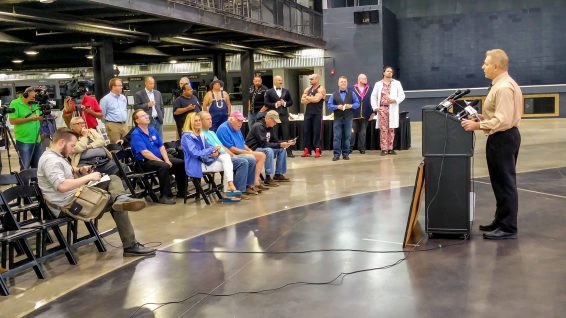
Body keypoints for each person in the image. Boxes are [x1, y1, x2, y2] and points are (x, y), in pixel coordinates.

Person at [37, 127, 155, 257]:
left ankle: (121, 199)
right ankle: (130, 245)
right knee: (115, 202)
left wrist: (78, 170)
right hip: (69, 205)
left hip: (77, 196)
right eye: (72, 146)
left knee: (113, 179)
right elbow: (61, 186)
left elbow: (65, 170)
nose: (73, 149)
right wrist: (87, 177)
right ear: (61, 143)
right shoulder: (51, 160)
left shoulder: (56, 156)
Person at [462, 49, 523, 240]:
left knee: (505, 183)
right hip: (502, 136)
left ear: (496, 66)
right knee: (499, 182)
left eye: (486, 63)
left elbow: (503, 120)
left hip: (503, 137)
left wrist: (478, 125)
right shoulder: (502, 84)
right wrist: (482, 117)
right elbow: (498, 115)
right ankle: (500, 220)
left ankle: (508, 227)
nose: (483, 66)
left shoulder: (504, 87)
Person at [181, 112, 241, 202]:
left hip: (205, 161)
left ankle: (229, 186)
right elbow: (195, 153)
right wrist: (210, 150)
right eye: (195, 121)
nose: (198, 122)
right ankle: (228, 190)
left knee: (226, 159)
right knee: (227, 164)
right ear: (190, 123)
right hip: (196, 165)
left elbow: (209, 147)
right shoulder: (186, 137)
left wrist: (214, 152)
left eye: (199, 120)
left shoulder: (200, 134)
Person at [130, 109, 186, 204]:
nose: (147, 116)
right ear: (137, 120)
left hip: (159, 159)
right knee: (163, 166)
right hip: (145, 162)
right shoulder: (136, 134)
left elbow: (161, 146)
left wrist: (167, 159)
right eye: (143, 116)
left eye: (146, 115)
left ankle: (182, 191)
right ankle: (165, 196)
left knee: (180, 162)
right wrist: (162, 162)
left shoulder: (152, 130)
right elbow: (145, 153)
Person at [200, 111, 257, 199]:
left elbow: (222, 147)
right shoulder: (201, 135)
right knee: (243, 162)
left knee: (251, 159)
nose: (210, 121)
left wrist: (233, 155)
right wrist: (232, 156)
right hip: (216, 159)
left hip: (225, 156)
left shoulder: (211, 133)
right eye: (208, 119)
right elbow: (210, 152)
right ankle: (238, 191)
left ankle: (248, 186)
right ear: (201, 121)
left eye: (211, 119)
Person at [216, 112, 269, 193]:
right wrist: (246, 153)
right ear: (231, 120)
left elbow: (243, 143)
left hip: (240, 152)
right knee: (251, 158)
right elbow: (230, 148)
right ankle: (245, 186)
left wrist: (249, 150)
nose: (240, 123)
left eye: (241, 121)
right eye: (238, 121)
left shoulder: (237, 128)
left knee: (261, 155)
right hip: (232, 154)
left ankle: (254, 182)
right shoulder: (223, 129)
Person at [246, 110, 293, 183]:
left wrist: (285, 142)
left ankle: (278, 174)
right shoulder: (258, 126)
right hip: (253, 149)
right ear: (269, 119)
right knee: (269, 150)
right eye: (274, 121)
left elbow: (275, 141)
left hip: (263, 147)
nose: (275, 124)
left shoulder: (270, 127)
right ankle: (268, 176)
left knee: (282, 149)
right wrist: (279, 144)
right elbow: (264, 144)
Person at [370, 66, 405, 156]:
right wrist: (375, 107)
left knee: (391, 129)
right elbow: (373, 96)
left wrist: (395, 100)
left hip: (392, 107)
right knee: (383, 129)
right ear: (384, 73)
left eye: (391, 72)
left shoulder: (397, 83)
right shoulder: (378, 84)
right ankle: (384, 149)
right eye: (388, 71)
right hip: (382, 108)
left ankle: (390, 148)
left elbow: (402, 95)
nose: (390, 73)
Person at [9, 86, 44, 170]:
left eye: (35, 98)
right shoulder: (15, 103)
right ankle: (24, 183)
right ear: (25, 95)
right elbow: (12, 121)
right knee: (25, 168)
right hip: (24, 141)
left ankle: (35, 183)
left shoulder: (36, 103)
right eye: (32, 98)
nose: (33, 100)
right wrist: (31, 119)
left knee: (37, 168)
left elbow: (40, 117)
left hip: (37, 140)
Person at [327, 76, 360, 161]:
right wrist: (337, 106)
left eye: (345, 81)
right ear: (338, 83)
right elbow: (329, 105)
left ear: (347, 83)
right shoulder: (334, 95)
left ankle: (346, 154)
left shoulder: (352, 94)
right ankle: (336, 155)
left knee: (347, 137)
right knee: (337, 137)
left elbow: (357, 103)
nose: (343, 83)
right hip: (337, 119)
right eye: (341, 81)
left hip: (348, 118)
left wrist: (351, 105)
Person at [264, 75, 294, 157]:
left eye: (281, 80)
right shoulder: (269, 91)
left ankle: (289, 152)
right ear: (274, 81)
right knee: (274, 134)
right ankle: (274, 153)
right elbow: (266, 103)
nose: (281, 82)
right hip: (273, 116)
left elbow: (291, 102)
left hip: (284, 115)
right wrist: (275, 104)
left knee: (286, 133)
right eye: (279, 80)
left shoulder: (286, 91)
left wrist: (284, 103)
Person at [300, 73, 326, 158]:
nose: (310, 80)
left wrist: (307, 98)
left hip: (317, 114)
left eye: (311, 79)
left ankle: (317, 149)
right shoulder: (307, 89)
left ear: (317, 79)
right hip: (308, 114)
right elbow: (302, 101)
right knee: (306, 131)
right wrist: (310, 98)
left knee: (317, 132)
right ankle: (307, 150)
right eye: (310, 79)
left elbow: (316, 99)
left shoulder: (321, 89)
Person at [100, 78, 129, 143]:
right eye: (119, 85)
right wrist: (109, 125)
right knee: (116, 147)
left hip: (124, 125)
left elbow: (125, 109)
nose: (122, 87)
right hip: (113, 126)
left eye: (121, 85)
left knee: (127, 145)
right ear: (113, 87)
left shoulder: (123, 98)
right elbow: (102, 115)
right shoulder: (105, 99)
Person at [350, 74, 373, 154]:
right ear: (359, 79)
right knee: (352, 132)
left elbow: (373, 101)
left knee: (363, 132)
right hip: (353, 114)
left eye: (366, 78)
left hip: (366, 114)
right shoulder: (351, 89)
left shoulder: (370, 89)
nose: (366, 79)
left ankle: (362, 148)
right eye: (364, 78)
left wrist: (373, 113)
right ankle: (350, 148)